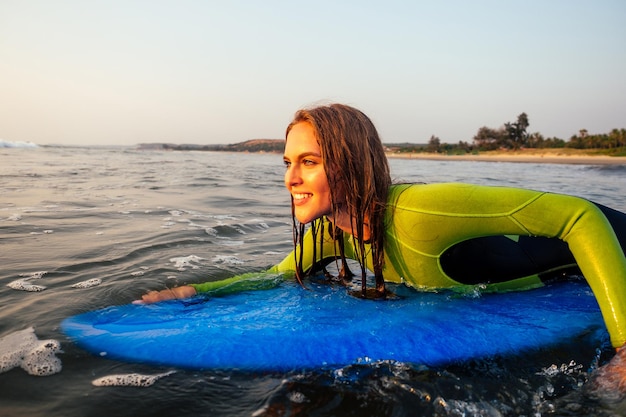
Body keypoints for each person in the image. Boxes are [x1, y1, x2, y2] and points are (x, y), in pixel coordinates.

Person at [139, 103, 626, 355]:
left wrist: (624, 349)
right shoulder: (331, 232)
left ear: (349, 162)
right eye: (288, 162)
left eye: (308, 162)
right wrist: (195, 290)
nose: (290, 179)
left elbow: (579, 216)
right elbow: (278, 275)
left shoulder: (420, 212)